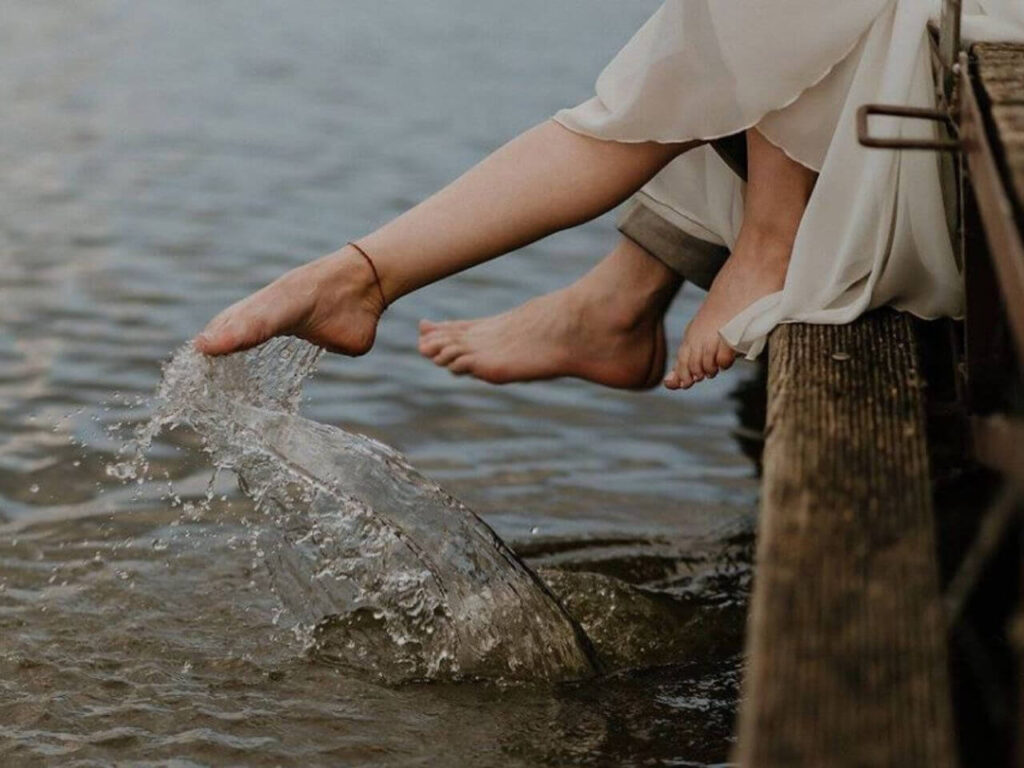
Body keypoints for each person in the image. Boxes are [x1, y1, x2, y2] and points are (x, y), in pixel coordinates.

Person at [196, 1, 1023, 389]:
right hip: (960, 114)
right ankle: (612, 300)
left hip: (974, 141)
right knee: (759, 48)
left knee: (762, 48)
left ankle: (747, 251)